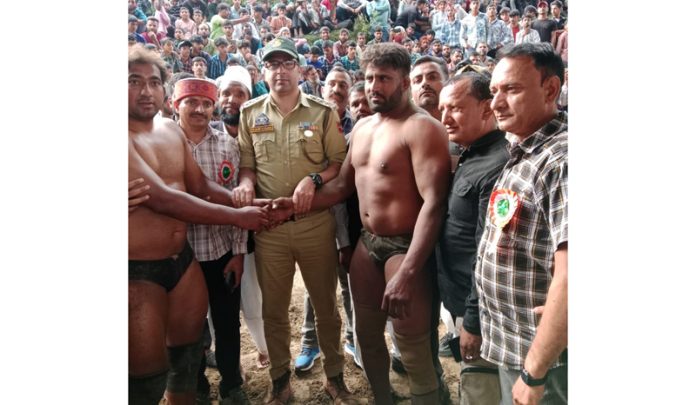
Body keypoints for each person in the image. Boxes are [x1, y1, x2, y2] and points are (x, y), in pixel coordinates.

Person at [279, 42, 451, 404]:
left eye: (384, 78)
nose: (374, 86)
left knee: (412, 343)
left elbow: (434, 204)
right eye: (370, 77)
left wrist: (407, 272)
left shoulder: (423, 128)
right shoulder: (362, 127)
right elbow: (342, 185)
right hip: (367, 244)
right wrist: (293, 205)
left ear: (404, 82)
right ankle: (382, 399)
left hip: (405, 246)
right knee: (368, 338)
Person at [128, 45, 269, 405]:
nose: (145, 90)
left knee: (187, 360)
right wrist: (240, 216)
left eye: (153, 82)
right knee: (144, 380)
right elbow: (164, 199)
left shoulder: (167, 132)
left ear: (163, 91)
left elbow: (202, 188)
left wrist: (256, 204)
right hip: (137, 268)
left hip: (183, 258)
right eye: (133, 81)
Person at [233, 37, 356, 405]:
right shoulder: (249, 113)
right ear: (263, 71)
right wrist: (245, 183)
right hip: (271, 231)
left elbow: (337, 163)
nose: (281, 71)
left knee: (326, 309)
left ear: (299, 69)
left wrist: (314, 179)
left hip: (315, 226)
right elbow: (247, 166)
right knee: (274, 312)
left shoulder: (321, 112)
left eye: (288, 63)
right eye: (273, 64)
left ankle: (335, 379)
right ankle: (279, 382)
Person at [477, 42, 567, 405]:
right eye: (494, 91)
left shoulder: (562, 161)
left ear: (550, 89)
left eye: (511, 90)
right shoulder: (527, 149)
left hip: (548, 362)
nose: (496, 103)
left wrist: (534, 371)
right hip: (517, 343)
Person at [171, 76, 253, 405]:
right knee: (186, 329)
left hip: (220, 252)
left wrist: (239, 254)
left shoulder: (227, 145)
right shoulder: (162, 142)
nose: (200, 109)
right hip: (179, 256)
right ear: (174, 105)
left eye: (206, 103)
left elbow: (239, 203)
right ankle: (197, 385)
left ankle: (232, 384)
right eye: (191, 102)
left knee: (227, 323)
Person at [436, 71, 509, 405]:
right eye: (442, 109)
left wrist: (475, 322)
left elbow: (487, 250)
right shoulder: (470, 152)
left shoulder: (497, 163)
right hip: (458, 299)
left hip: (480, 309)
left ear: (486, 108)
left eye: (455, 108)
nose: (445, 118)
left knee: (483, 391)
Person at [295, 66, 358, 372]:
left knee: (350, 282)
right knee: (316, 284)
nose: (336, 88)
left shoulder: (359, 126)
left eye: (342, 84)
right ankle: (310, 341)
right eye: (331, 83)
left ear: (351, 88)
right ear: (322, 89)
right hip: (318, 213)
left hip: (350, 215)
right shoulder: (309, 121)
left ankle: (353, 338)